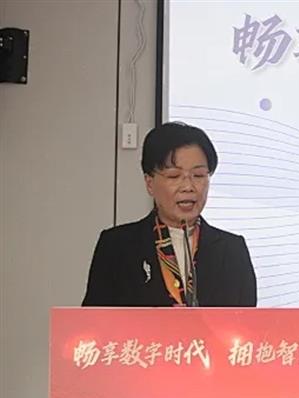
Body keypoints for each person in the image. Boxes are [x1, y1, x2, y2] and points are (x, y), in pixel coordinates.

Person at [82, 122, 257, 307]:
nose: (188, 187)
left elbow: (248, 321)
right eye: (174, 176)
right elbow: (94, 319)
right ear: (150, 183)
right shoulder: (116, 246)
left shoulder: (232, 250)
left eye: (198, 175)